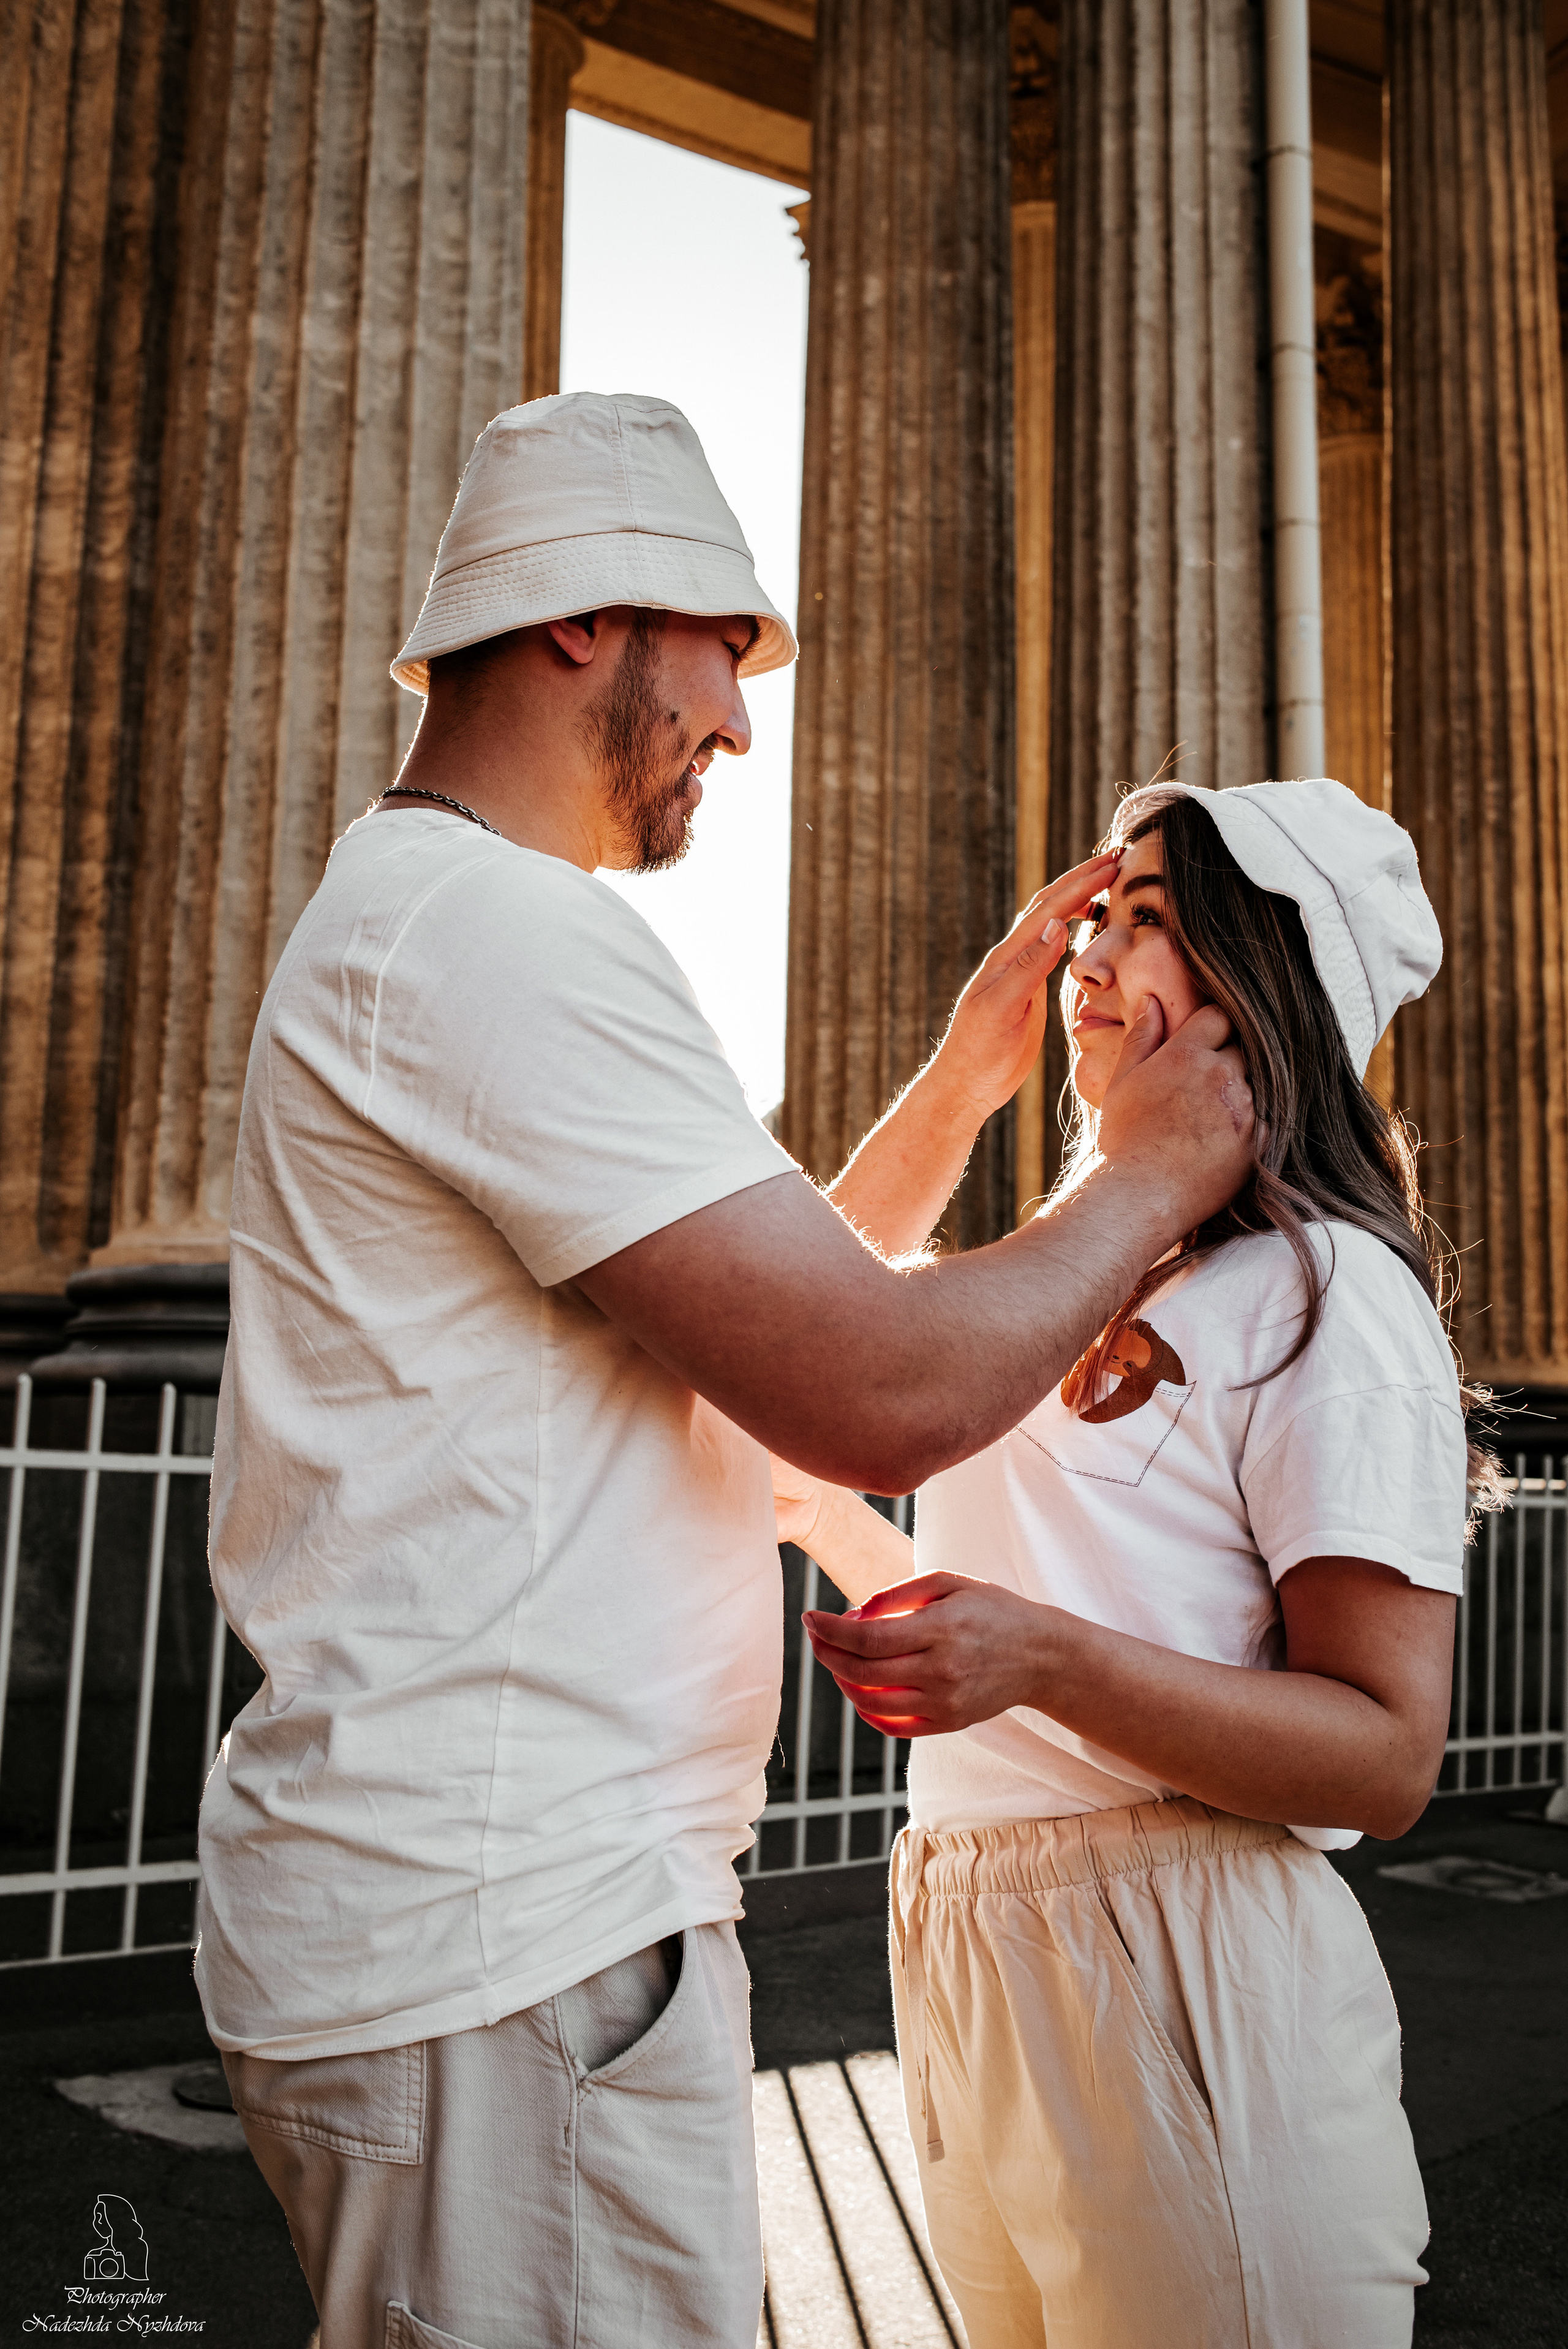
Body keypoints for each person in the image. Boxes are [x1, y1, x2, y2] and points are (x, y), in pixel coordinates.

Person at [195, 393, 1254, 2349]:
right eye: (727, 650)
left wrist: (962, 1083)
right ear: (590, 620)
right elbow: (871, 1394)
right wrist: (1159, 1174)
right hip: (511, 1941)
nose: (747, 722)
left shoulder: (434, 918)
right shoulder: (501, 935)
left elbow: (764, 1330)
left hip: (481, 1932)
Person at [780, 776, 1500, 2349]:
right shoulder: (1081, 1263)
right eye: (1098, 915)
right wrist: (969, 1073)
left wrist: (1044, 1660)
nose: (1090, 955)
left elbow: (1381, 1756)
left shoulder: (1327, 1295)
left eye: (1150, 922)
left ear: (1263, 999)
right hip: (967, 1939)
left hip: (1188, 1959)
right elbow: (809, 1351)